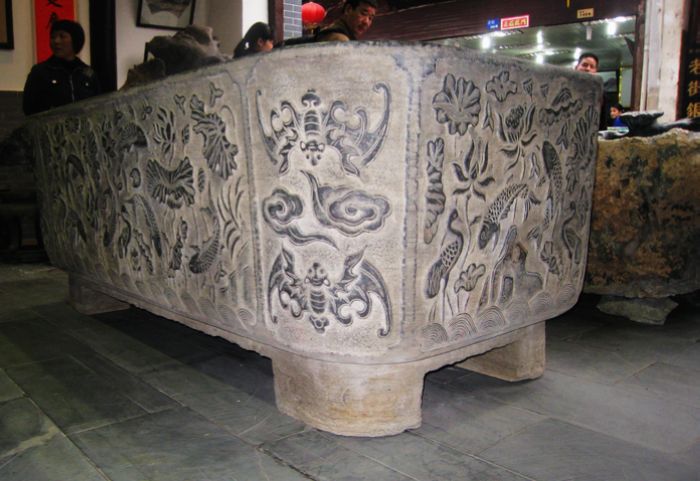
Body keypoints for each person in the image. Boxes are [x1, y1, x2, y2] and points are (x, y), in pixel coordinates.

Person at [23, 20, 101, 115]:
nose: (56, 41)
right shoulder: (40, 72)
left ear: (75, 40)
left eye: (62, 36)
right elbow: (29, 109)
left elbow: (98, 107)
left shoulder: (88, 73)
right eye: (53, 37)